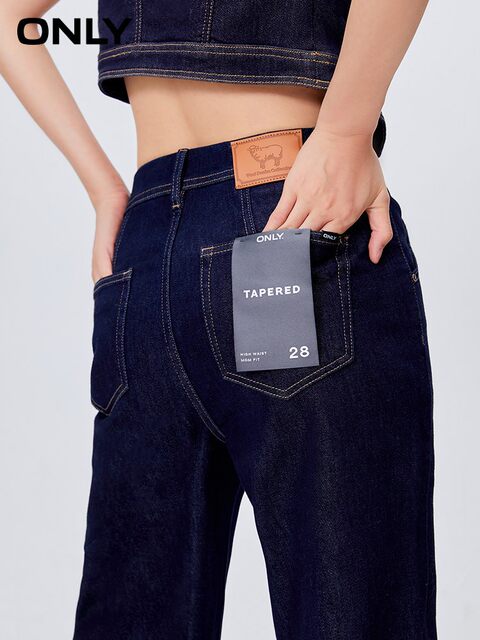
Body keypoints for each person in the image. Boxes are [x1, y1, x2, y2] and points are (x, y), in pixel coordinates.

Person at [0, 1, 436, 638]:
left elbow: (13, 20)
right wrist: (346, 133)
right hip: (288, 213)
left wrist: (107, 192)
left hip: (148, 250)